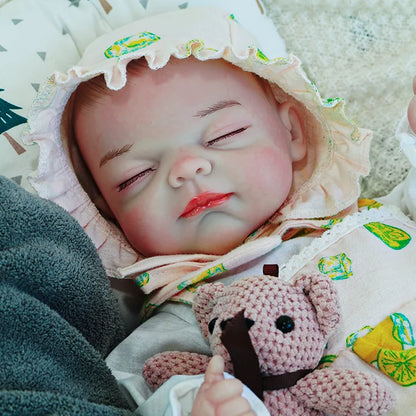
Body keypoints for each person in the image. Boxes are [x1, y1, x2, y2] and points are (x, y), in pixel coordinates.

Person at [25, 6, 416, 415]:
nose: (186, 169)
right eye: (136, 175)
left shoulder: (370, 216)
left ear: (293, 132)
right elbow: (120, 394)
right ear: (107, 217)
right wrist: (193, 403)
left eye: (223, 134)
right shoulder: (182, 320)